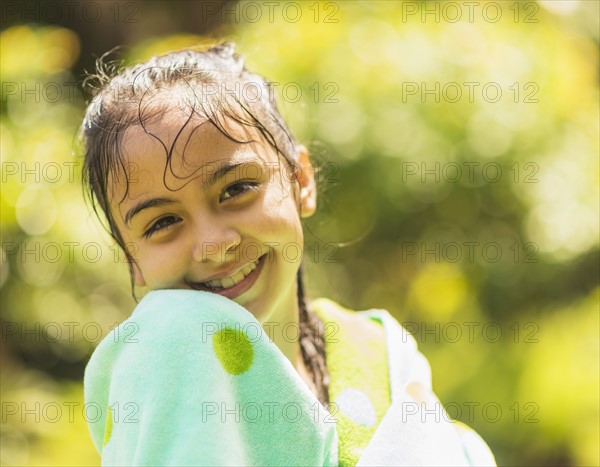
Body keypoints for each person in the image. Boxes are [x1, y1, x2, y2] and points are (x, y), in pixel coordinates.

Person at [81, 42, 496, 466]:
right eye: (163, 223)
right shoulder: (163, 357)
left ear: (300, 180)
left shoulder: (380, 353)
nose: (214, 243)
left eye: (236, 189)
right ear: (132, 260)